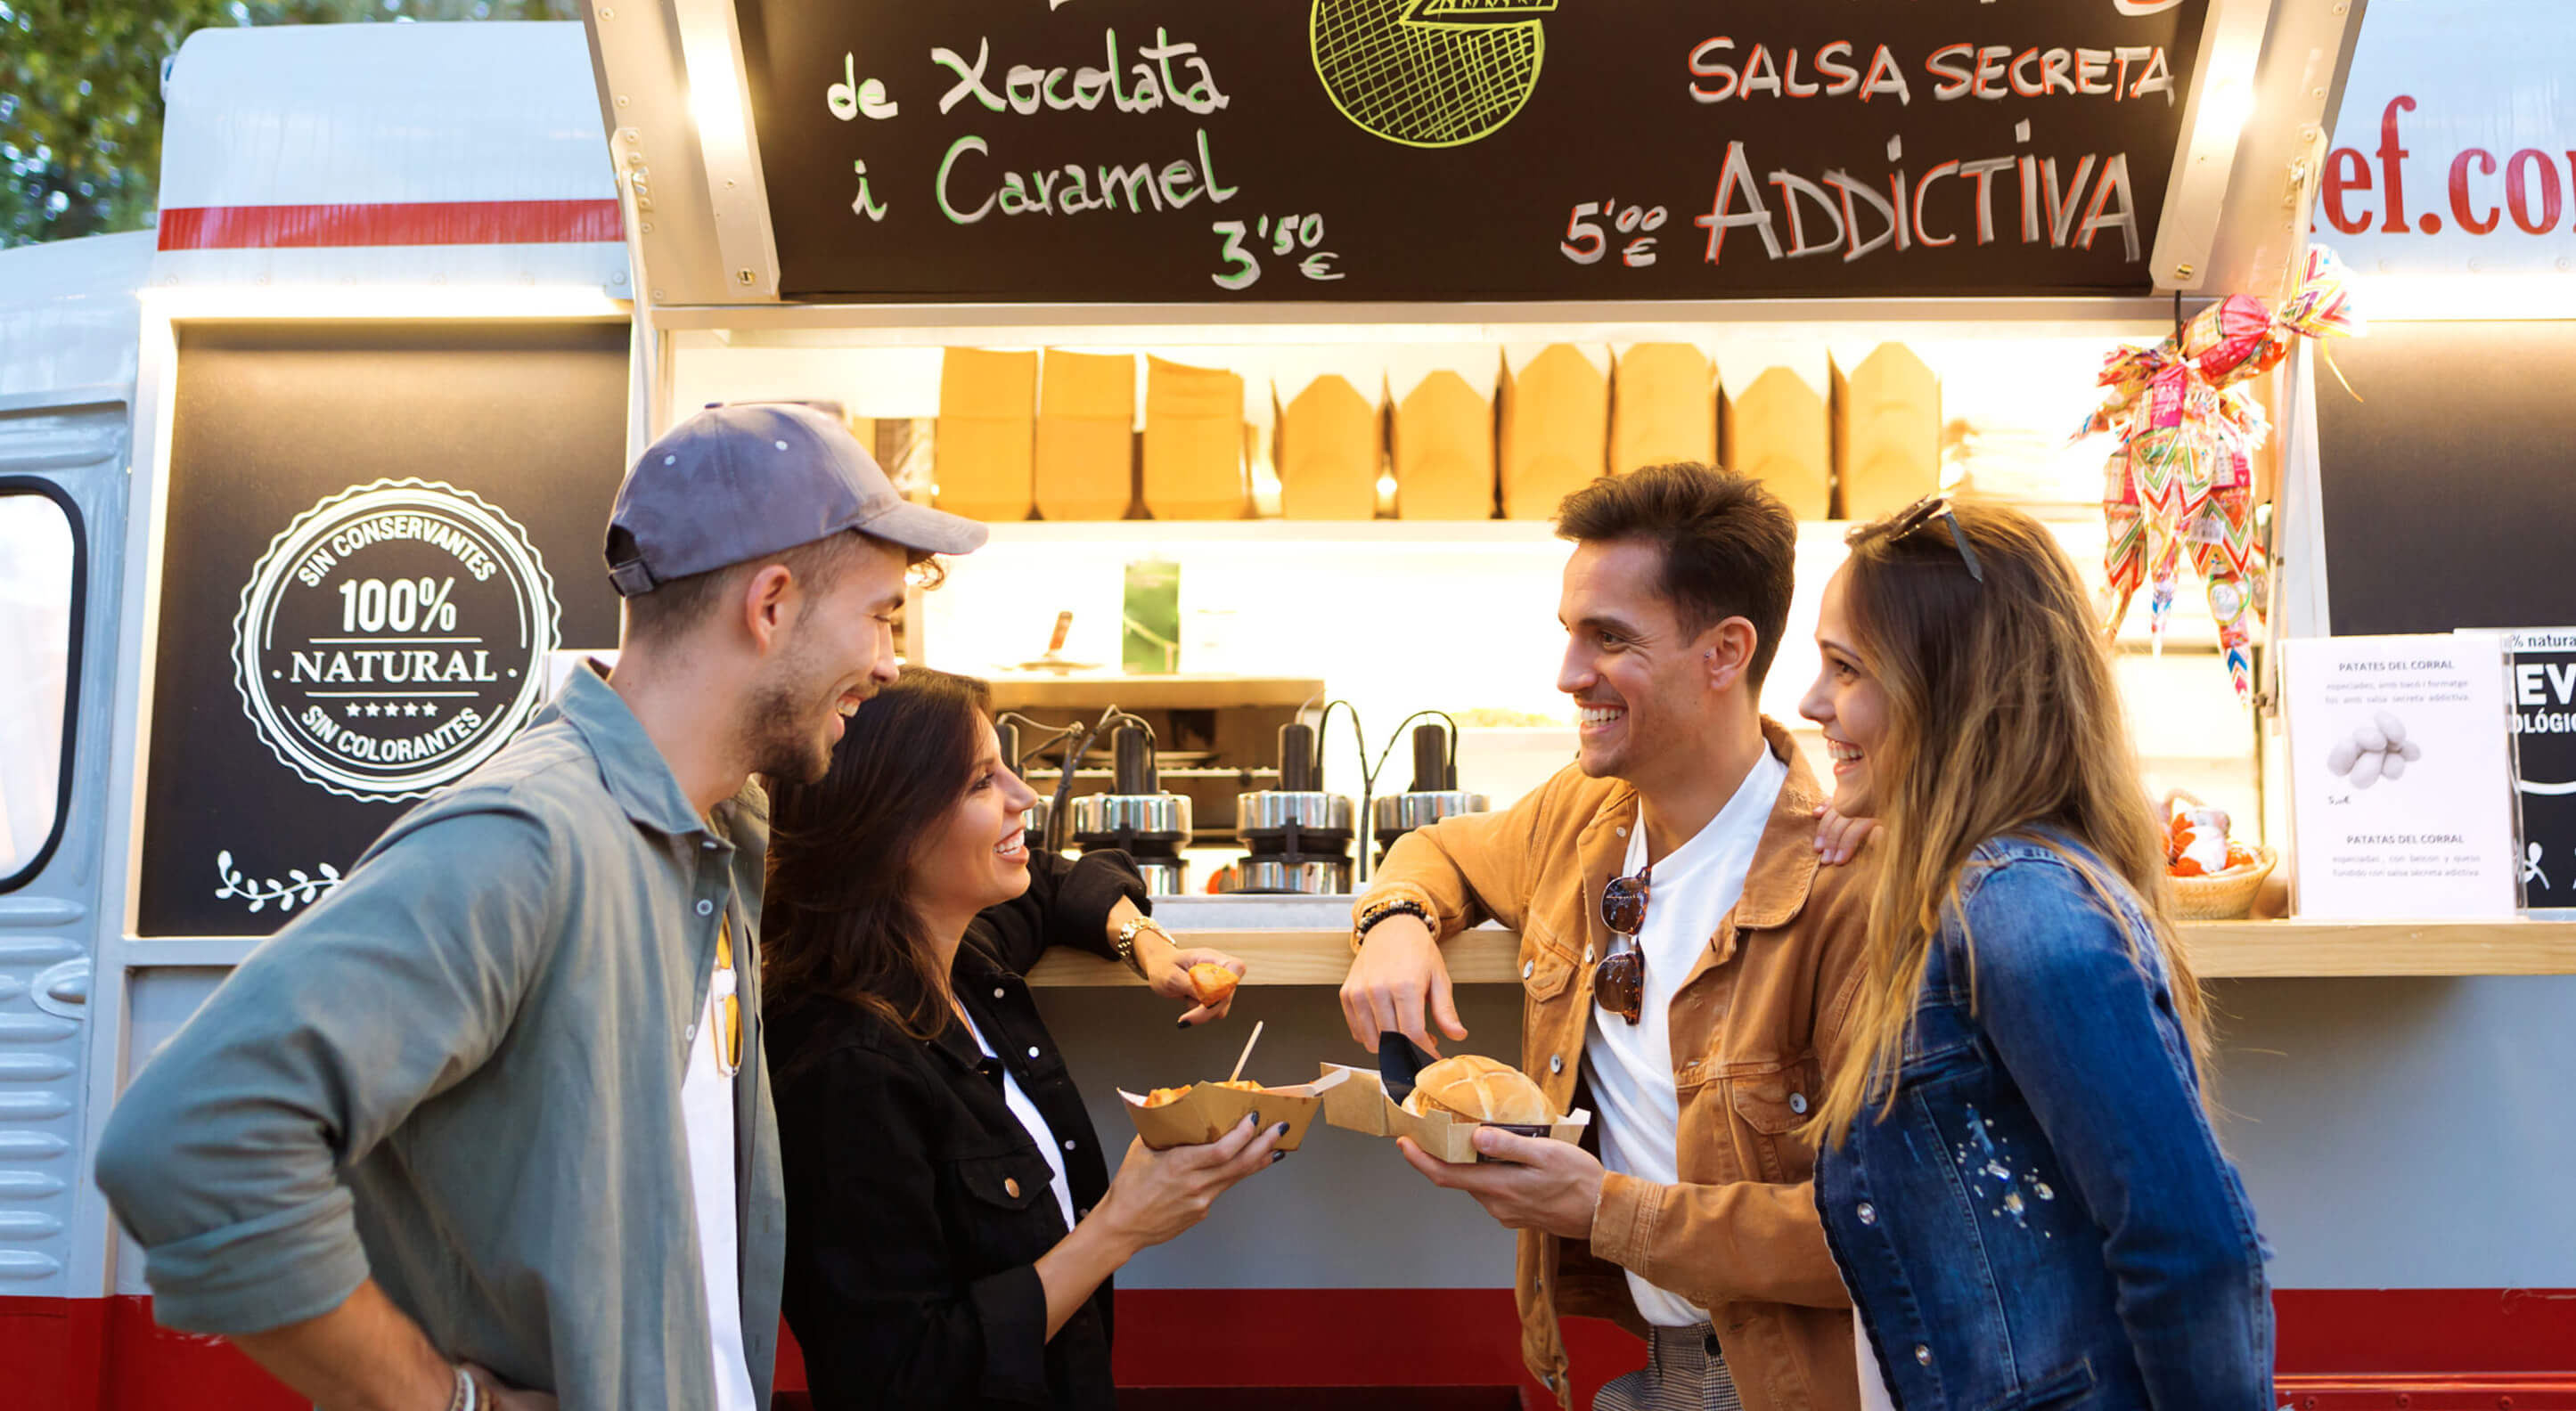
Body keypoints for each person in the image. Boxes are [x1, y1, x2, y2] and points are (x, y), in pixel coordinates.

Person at [93, 404, 986, 1410]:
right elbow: (189, 1144)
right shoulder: (529, 838)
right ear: (770, 604)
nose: (887, 664)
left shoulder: (718, 836)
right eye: (879, 617)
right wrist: (444, 1402)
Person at [1341, 463, 1876, 1411]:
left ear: (1724, 653)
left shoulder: (1846, 891)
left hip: (1791, 1381)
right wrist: (1393, 924)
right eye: (1569, 634)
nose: (1567, 675)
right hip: (1652, 1372)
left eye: (1610, 639)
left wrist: (1598, 1210)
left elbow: (1876, 1236)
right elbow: (1435, 850)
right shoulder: (1583, 814)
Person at [1795, 497, 2271, 1410]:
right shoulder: (1976, 892)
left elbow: (2191, 1248)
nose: (1812, 701)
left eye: (1845, 668)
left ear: (1952, 690)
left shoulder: (2015, 907)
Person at [762, 666, 1286, 1411]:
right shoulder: (845, 1066)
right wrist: (1121, 1227)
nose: (1025, 796)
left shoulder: (963, 960)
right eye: (981, 781)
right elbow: (897, 1377)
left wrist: (1148, 947)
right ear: (889, 821)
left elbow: (1052, 882)